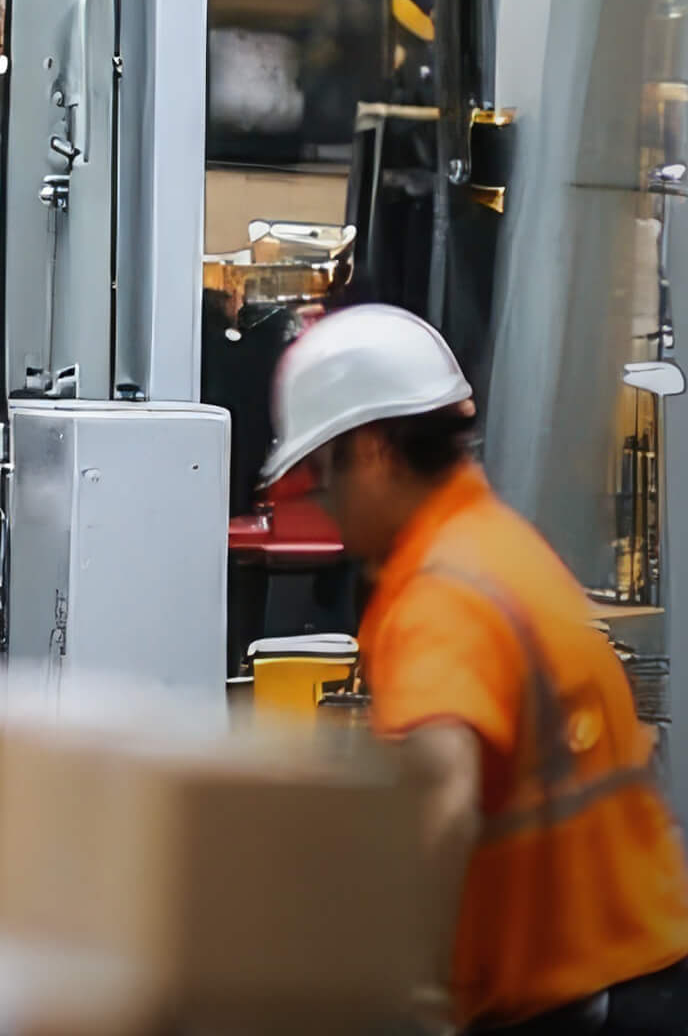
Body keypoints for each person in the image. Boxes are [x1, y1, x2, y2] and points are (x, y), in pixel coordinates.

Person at [262, 304, 688, 1033]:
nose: (323, 504)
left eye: (319, 475)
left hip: (581, 1004)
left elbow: (440, 792)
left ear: (371, 452)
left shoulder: (442, 592)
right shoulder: (494, 543)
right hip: (632, 975)